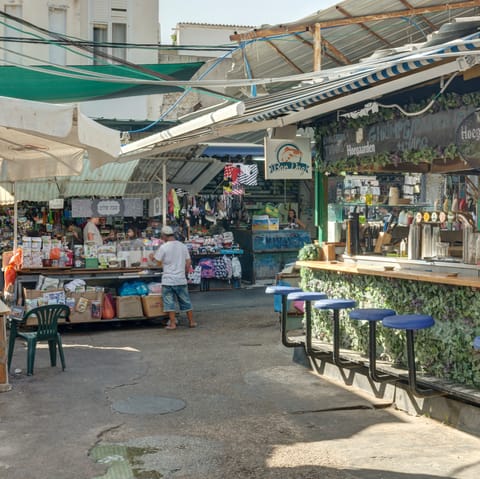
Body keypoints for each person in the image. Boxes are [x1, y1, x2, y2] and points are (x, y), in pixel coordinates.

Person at [152, 225, 196, 330]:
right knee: (186, 301)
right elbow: (188, 261)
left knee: (169, 303)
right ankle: (192, 322)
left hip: (168, 280)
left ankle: (172, 324)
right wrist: (184, 272)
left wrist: (152, 257)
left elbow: (157, 262)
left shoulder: (164, 247)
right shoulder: (182, 246)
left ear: (163, 236)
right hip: (181, 279)